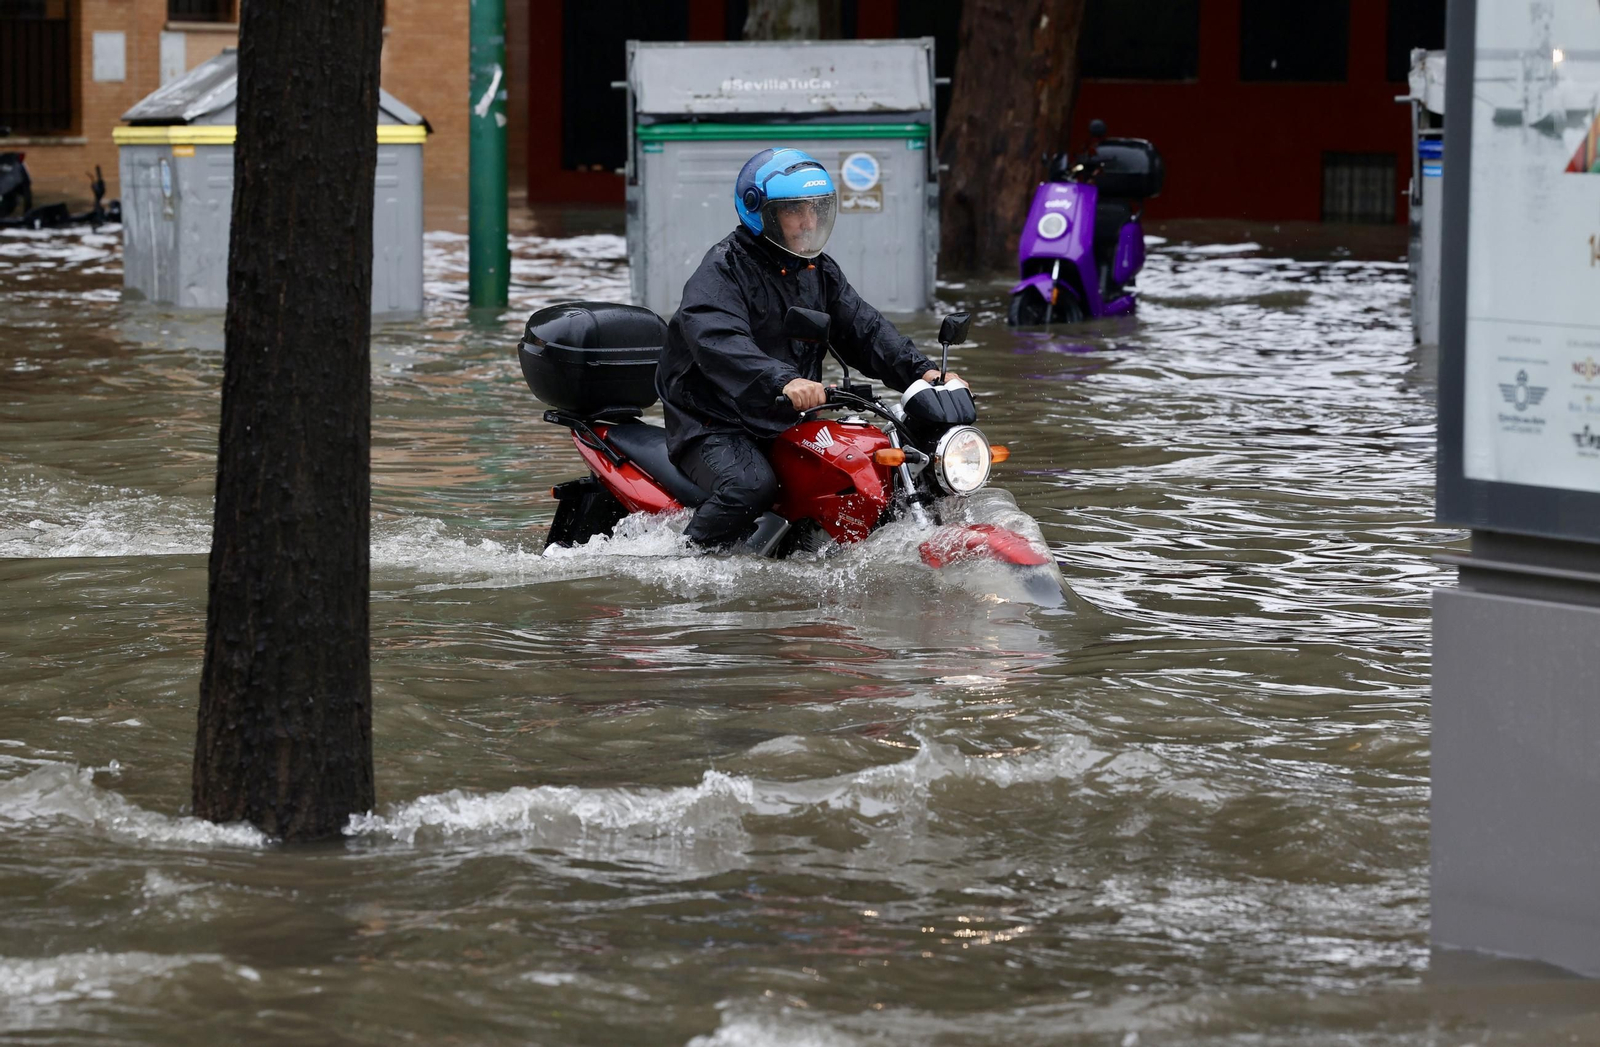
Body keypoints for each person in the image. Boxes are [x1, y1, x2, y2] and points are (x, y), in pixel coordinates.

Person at [656, 147, 964, 550]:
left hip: (785, 417)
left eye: (817, 210)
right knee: (750, 486)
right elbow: (720, 342)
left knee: (861, 466)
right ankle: (681, 567)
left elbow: (864, 328)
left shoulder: (816, 270)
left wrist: (921, 372)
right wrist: (785, 381)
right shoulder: (721, 273)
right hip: (714, 423)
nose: (809, 222)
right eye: (795, 211)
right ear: (761, 213)